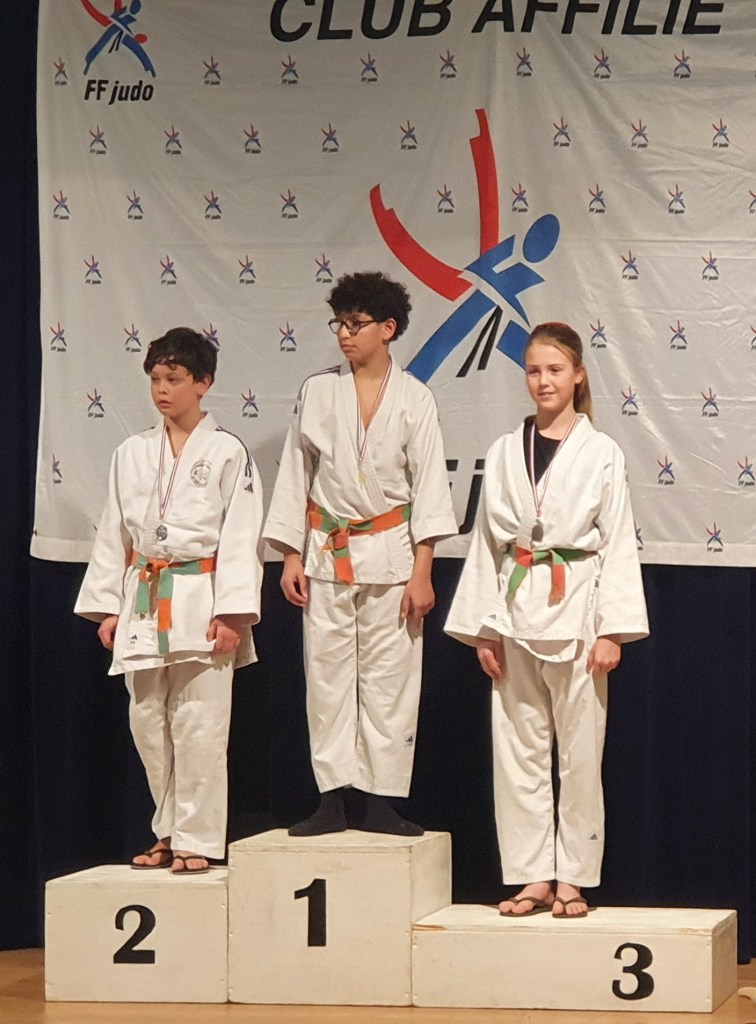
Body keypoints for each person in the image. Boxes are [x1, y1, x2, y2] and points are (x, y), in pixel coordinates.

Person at [445, 322, 648, 916]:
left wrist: (612, 629)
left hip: (579, 607)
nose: (543, 381)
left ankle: (574, 878)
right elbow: (488, 543)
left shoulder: (601, 452)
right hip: (514, 609)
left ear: (578, 375)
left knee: (580, 754)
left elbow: (617, 542)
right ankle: (533, 876)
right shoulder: (505, 450)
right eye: (534, 370)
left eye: (555, 370)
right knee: (518, 752)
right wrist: (483, 628)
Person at [264, 271, 457, 837]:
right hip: (327, 551)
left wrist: (423, 571)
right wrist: (291, 554)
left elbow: (429, 488)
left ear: (388, 328)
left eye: (356, 324)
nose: (345, 334)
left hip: (393, 554)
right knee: (326, 679)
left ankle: (379, 800)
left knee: (390, 680)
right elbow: (297, 471)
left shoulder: (415, 398)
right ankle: (330, 798)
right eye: (340, 324)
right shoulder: (317, 391)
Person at [75, 327, 263, 874]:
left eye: (174, 378)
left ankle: (195, 840)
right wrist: (109, 606)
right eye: (156, 378)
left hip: (201, 596)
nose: (162, 389)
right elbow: (114, 531)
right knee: (147, 722)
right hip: (143, 596)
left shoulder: (227, 451)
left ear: (203, 383)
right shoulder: (131, 452)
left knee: (200, 724)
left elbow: (241, 535)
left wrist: (231, 614)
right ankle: (167, 829)